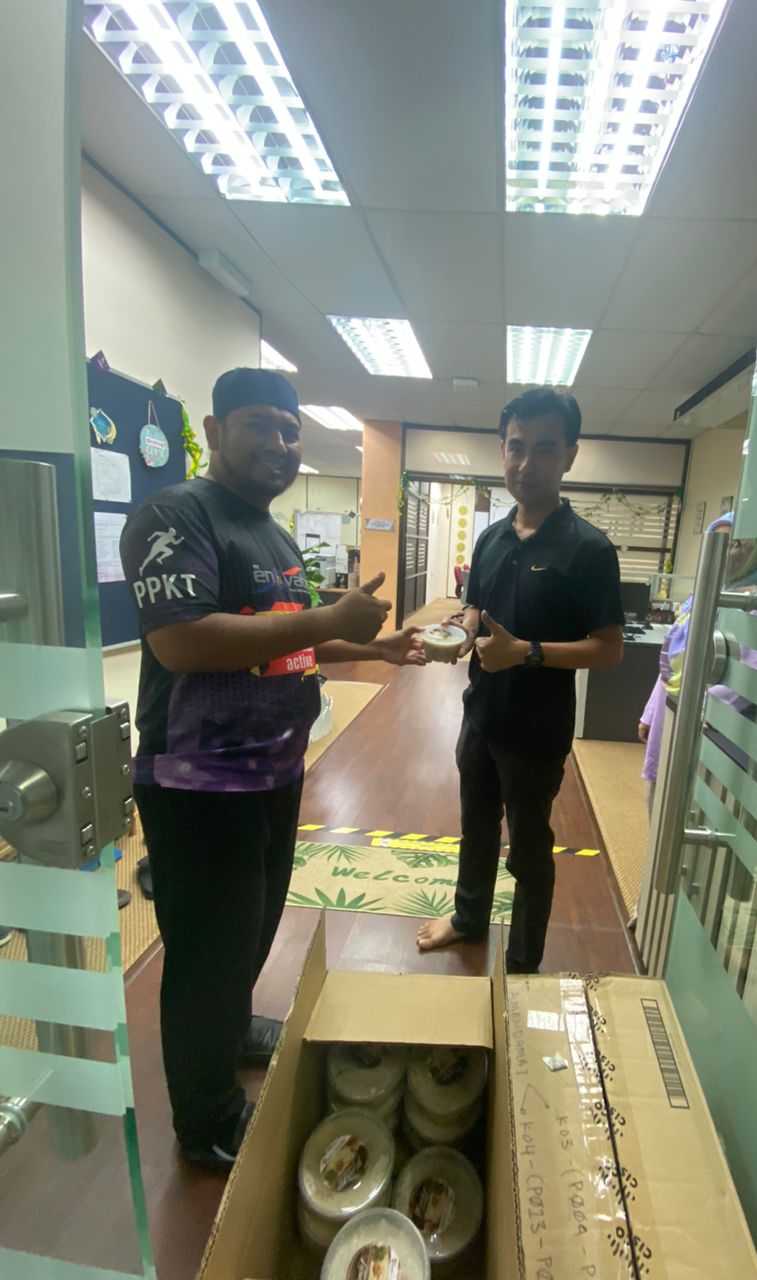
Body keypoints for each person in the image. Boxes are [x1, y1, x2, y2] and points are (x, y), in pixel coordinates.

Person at [121, 368, 424, 1170]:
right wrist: (328, 616)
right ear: (215, 432)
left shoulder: (271, 533)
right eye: (262, 425)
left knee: (251, 929)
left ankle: (231, 1030)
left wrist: (375, 646)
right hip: (198, 782)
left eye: (291, 431)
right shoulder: (175, 515)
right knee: (207, 953)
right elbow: (182, 640)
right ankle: (207, 1121)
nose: (282, 444)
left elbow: (291, 636)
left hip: (275, 773)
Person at [417, 387, 624, 973]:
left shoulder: (589, 549)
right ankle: (468, 917)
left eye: (544, 449)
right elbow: (475, 608)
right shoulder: (490, 538)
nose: (526, 463)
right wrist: (459, 631)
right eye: (516, 447)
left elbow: (608, 649)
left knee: (529, 848)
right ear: (502, 449)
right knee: (476, 827)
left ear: (570, 456)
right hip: (480, 714)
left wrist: (525, 653)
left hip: (537, 731)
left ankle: (524, 962)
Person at [638, 514, 757, 814]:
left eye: (736, 544)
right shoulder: (700, 596)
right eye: (717, 542)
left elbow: (751, 673)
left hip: (710, 722)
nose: (726, 552)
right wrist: (650, 712)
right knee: (659, 794)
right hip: (673, 706)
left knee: (695, 803)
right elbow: (671, 659)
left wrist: (705, 709)